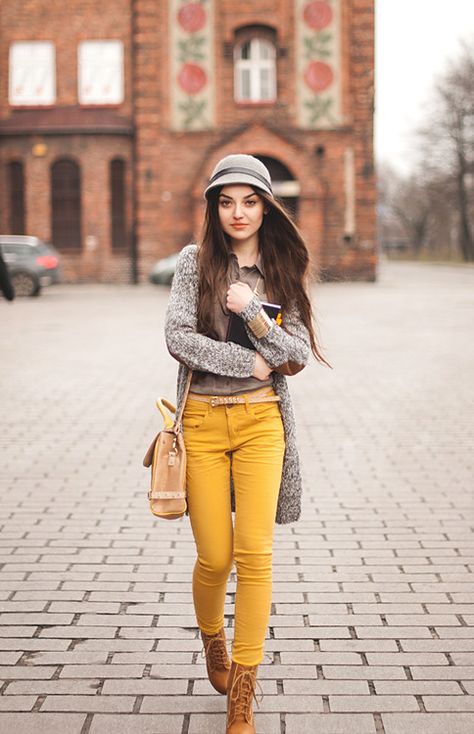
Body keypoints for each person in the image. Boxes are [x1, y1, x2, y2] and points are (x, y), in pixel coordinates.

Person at [164, 154, 330, 733]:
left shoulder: (283, 268)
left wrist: (254, 317)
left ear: (266, 206)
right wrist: (250, 361)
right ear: (215, 206)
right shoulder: (194, 263)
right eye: (227, 201)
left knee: (256, 557)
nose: (238, 212)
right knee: (216, 556)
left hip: (263, 426)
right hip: (205, 425)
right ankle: (214, 638)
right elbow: (177, 337)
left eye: (250, 200)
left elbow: (297, 354)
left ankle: (243, 693)